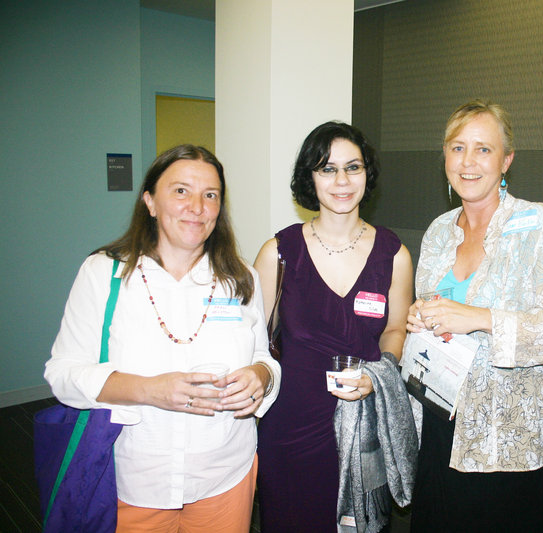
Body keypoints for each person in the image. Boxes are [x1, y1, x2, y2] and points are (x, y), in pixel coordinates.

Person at [45, 145, 281, 532]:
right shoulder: (103, 274)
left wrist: (261, 376)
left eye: (211, 195)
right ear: (150, 202)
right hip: (132, 480)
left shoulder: (240, 278)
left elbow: (264, 357)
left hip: (224, 476)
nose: (197, 207)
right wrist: (149, 390)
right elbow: (62, 373)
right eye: (181, 191)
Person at [406, 100, 543, 532]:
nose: (468, 162)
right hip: (438, 424)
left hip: (503, 441)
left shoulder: (539, 225)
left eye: (483, 150)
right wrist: (420, 315)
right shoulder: (437, 233)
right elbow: (439, 314)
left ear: (506, 160)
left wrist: (482, 317)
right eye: (457, 148)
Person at [253, 121, 417, 532]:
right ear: (310, 177)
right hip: (289, 428)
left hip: (362, 423)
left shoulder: (394, 254)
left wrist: (380, 370)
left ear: (367, 174)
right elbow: (252, 341)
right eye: (327, 169)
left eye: (353, 167)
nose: (341, 181)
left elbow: (396, 328)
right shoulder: (279, 253)